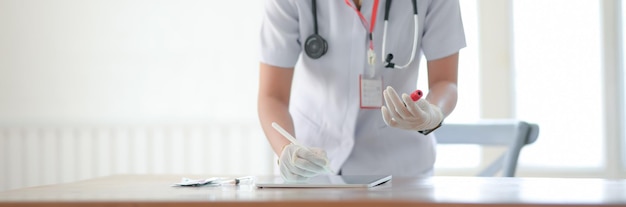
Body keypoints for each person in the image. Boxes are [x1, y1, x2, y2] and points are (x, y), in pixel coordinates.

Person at [257, 0, 465, 181]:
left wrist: (433, 113)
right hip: (313, 167)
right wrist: (286, 149)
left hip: (401, 169)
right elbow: (272, 96)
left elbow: (445, 81)